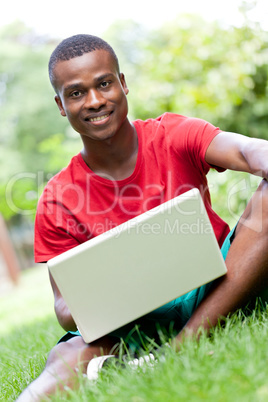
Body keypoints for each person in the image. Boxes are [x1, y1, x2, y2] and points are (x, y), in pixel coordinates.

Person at [18, 34, 268, 401]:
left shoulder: (173, 133)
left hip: (218, 285)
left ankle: (180, 348)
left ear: (123, 83)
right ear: (61, 105)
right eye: (76, 93)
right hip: (133, 319)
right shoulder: (57, 198)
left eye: (104, 84)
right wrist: (120, 280)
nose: (94, 101)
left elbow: (247, 150)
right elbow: (65, 310)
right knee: (67, 356)